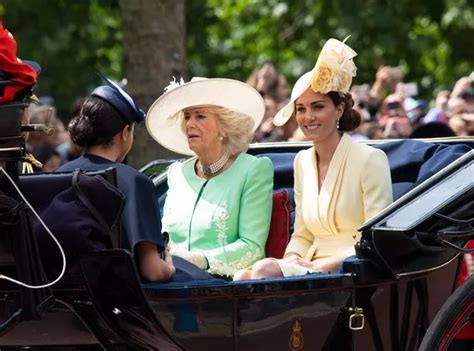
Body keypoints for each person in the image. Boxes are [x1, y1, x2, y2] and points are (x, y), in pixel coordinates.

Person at [234, 38, 393, 280]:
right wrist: (291, 261)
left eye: (318, 107)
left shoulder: (370, 159)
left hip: (353, 268)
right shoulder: (302, 162)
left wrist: (319, 266)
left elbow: (375, 240)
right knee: (242, 277)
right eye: (301, 109)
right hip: (310, 267)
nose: (308, 117)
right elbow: (302, 235)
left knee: (262, 271)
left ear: (338, 110)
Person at [146, 77, 274, 278]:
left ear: (224, 126)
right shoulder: (177, 173)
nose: (190, 124)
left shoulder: (253, 169)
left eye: (200, 116)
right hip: (170, 283)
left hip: (222, 288)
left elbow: (252, 248)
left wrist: (200, 260)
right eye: (187, 116)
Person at [56, 75, 175, 282]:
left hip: (56, 302)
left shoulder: (58, 175)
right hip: (117, 307)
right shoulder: (135, 182)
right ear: (125, 132)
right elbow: (153, 271)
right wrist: (170, 266)